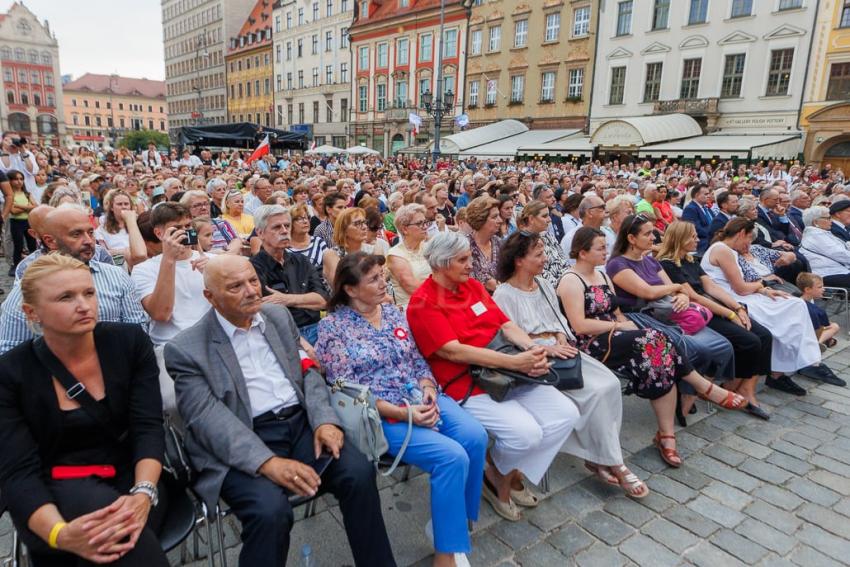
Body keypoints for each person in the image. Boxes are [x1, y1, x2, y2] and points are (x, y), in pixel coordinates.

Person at [164, 255, 396, 567]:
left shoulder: (276, 316)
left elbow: (309, 372)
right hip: (242, 436)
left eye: (252, 281)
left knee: (358, 473)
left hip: (301, 424)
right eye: (236, 286)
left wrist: (325, 421)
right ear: (211, 297)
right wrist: (267, 463)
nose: (251, 290)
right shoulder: (186, 348)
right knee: (270, 513)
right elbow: (207, 419)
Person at [317, 252, 486, 567]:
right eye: (374, 279)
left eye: (383, 275)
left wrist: (428, 388)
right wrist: (402, 413)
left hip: (418, 395)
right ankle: (446, 553)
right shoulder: (333, 328)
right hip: (380, 415)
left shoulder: (394, 313)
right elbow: (345, 389)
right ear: (351, 290)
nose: (384, 283)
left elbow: (417, 359)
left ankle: (449, 524)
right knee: (451, 457)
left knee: (475, 436)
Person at [0, 254, 169, 567]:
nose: (84, 305)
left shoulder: (129, 343)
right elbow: (18, 472)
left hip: (135, 478)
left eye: (88, 293)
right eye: (66, 297)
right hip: (53, 490)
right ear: (31, 312)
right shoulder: (12, 374)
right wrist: (59, 535)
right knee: (106, 533)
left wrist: (144, 494)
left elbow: (148, 426)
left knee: (110, 536)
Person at [407, 232, 580, 521]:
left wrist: (532, 349)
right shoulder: (423, 303)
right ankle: (499, 478)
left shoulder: (472, 286)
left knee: (566, 414)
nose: (471, 265)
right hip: (468, 382)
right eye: (463, 260)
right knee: (526, 434)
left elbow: (505, 323)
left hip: (506, 369)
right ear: (441, 263)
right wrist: (516, 362)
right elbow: (454, 353)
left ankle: (500, 473)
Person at [559, 228, 741, 468]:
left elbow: (617, 311)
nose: (606, 252)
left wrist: (624, 325)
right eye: (600, 248)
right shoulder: (571, 280)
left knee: (658, 360)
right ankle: (702, 388)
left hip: (618, 333)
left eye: (605, 247)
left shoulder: (602, 277)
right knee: (655, 339)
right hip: (592, 341)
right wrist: (622, 327)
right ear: (582, 253)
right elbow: (579, 325)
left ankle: (667, 435)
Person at [493, 232, 648, 498]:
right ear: (519, 260)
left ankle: (601, 456)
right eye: (538, 255)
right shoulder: (504, 294)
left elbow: (558, 320)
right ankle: (613, 461)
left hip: (562, 350)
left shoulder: (542, 284)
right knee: (594, 392)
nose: (545, 259)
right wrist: (546, 346)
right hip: (536, 358)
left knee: (609, 384)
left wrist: (562, 338)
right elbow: (510, 336)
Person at [606, 214, 739, 407]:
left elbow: (675, 289)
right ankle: (686, 396)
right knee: (696, 348)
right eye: (648, 234)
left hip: (666, 312)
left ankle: (690, 393)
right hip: (638, 316)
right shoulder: (618, 264)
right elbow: (648, 292)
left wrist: (682, 296)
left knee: (723, 345)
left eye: (653, 232)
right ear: (631, 238)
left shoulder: (650, 261)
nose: (654, 238)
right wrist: (677, 289)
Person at [702, 218, 845, 390]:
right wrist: (761, 285)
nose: (749, 243)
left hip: (744, 295)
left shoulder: (727, 250)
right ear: (741, 234)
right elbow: (740, 288)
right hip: (734, 299)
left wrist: (764, 290)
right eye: (749, 238)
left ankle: (787, 365)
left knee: (795, 304)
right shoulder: (722, 250)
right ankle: (795, 359)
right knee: (791, 309)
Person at [657, 221, 774, 419]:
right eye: (692, 236)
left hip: (713, 306)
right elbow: (694, 296)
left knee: (764, 335)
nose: (697, 240)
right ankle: (727, 388)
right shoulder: (668, 264)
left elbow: (712, 288)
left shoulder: (691, 260)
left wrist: (737, 307)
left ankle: (742, 388)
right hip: (700, 312)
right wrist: (730, 314)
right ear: (679, 239)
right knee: (750, 341)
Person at [0, 205, 148, 354]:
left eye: (91, 232)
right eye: (76, 234)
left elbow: (138, 331)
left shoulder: (116, 276)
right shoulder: (27, 290)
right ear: (50, 241)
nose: (89, 241)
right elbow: (9, 352)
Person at [250, 205, 328, 345]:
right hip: (282, 334)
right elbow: (267, 311)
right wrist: (305, 300)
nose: (285, 231)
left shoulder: (301, 261)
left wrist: (286, 299)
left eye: (287, 225)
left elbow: (322, 300)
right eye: (277, 227)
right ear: (260, 233)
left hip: (316, 328)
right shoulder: (253, 268)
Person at [386, 203, 432, 307]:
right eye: (420, 223)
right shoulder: (395, 254)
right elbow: (412, 287)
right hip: (414, 307)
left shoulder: (428, 247)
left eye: (425, 222)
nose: (425, 227)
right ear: (404, 229)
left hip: (436, 301)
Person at [517, 200, 570, 288]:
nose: (549, 220)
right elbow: (539, 275)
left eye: (548, 215)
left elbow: (564, 262)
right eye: (544, 216)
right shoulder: (522, 243)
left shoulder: (547, 235)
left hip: (566, 284)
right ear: (531, 219)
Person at [288, 202, 339, 289]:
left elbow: (331, 269)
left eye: (307, 217)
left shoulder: (318, 242)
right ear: (290, 223)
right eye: (299, 219)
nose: (305, 221)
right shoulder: (286, 248)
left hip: (323, 288)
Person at [799, 205, 850, 288]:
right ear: (815, 222)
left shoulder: (821, 234)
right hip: (829, 273)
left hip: (838, 270)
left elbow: (844, 247)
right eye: (828, 218)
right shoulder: (816, 236)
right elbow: (840, 254)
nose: (831, 221)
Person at [95, 189, 148, 268]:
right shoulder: (102, 229)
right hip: (118, 267)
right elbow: (103, 253)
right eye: (119, 204)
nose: (123, 207)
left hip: (141, 266)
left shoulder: (139, 223)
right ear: (112, 208)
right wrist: (125, 251)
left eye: (126, 204)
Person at [466, 195, 503, 292]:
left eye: (499, 216)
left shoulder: (500, 243)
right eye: (494, 217)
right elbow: (482, 281)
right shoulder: (465, 246)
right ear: (480, 219)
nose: (500, 220)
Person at [797, 272, 842, 351]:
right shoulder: (817, 310)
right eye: (820, 287)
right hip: (808, 335)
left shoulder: (796, 299)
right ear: (807, 289)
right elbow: (820, 328)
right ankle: (817, 343)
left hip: (799, 332)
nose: (823, 289)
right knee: (835, 326)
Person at [7, 168, 37, 275]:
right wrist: (27, 207)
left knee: (32, 244)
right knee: (18, 245)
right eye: (16, 179)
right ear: (10, 181)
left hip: (28, 221)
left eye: (21, 179)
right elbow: (13, 211)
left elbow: (35, 206)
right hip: (16, 222)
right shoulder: (9, 195)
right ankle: (16, 265)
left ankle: (35, 264)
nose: (19, 181)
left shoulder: (27, 193)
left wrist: (19, 205)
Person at [681, 184, 713, 255]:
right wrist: (714, 235)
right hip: (701, 243)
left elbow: (714, 223)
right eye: (706, 194)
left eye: (709, 194)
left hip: (712, 240)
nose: (709, 196)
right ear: (696, 195)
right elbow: (694, 229)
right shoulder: (690, 209)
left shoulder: (707, 208)